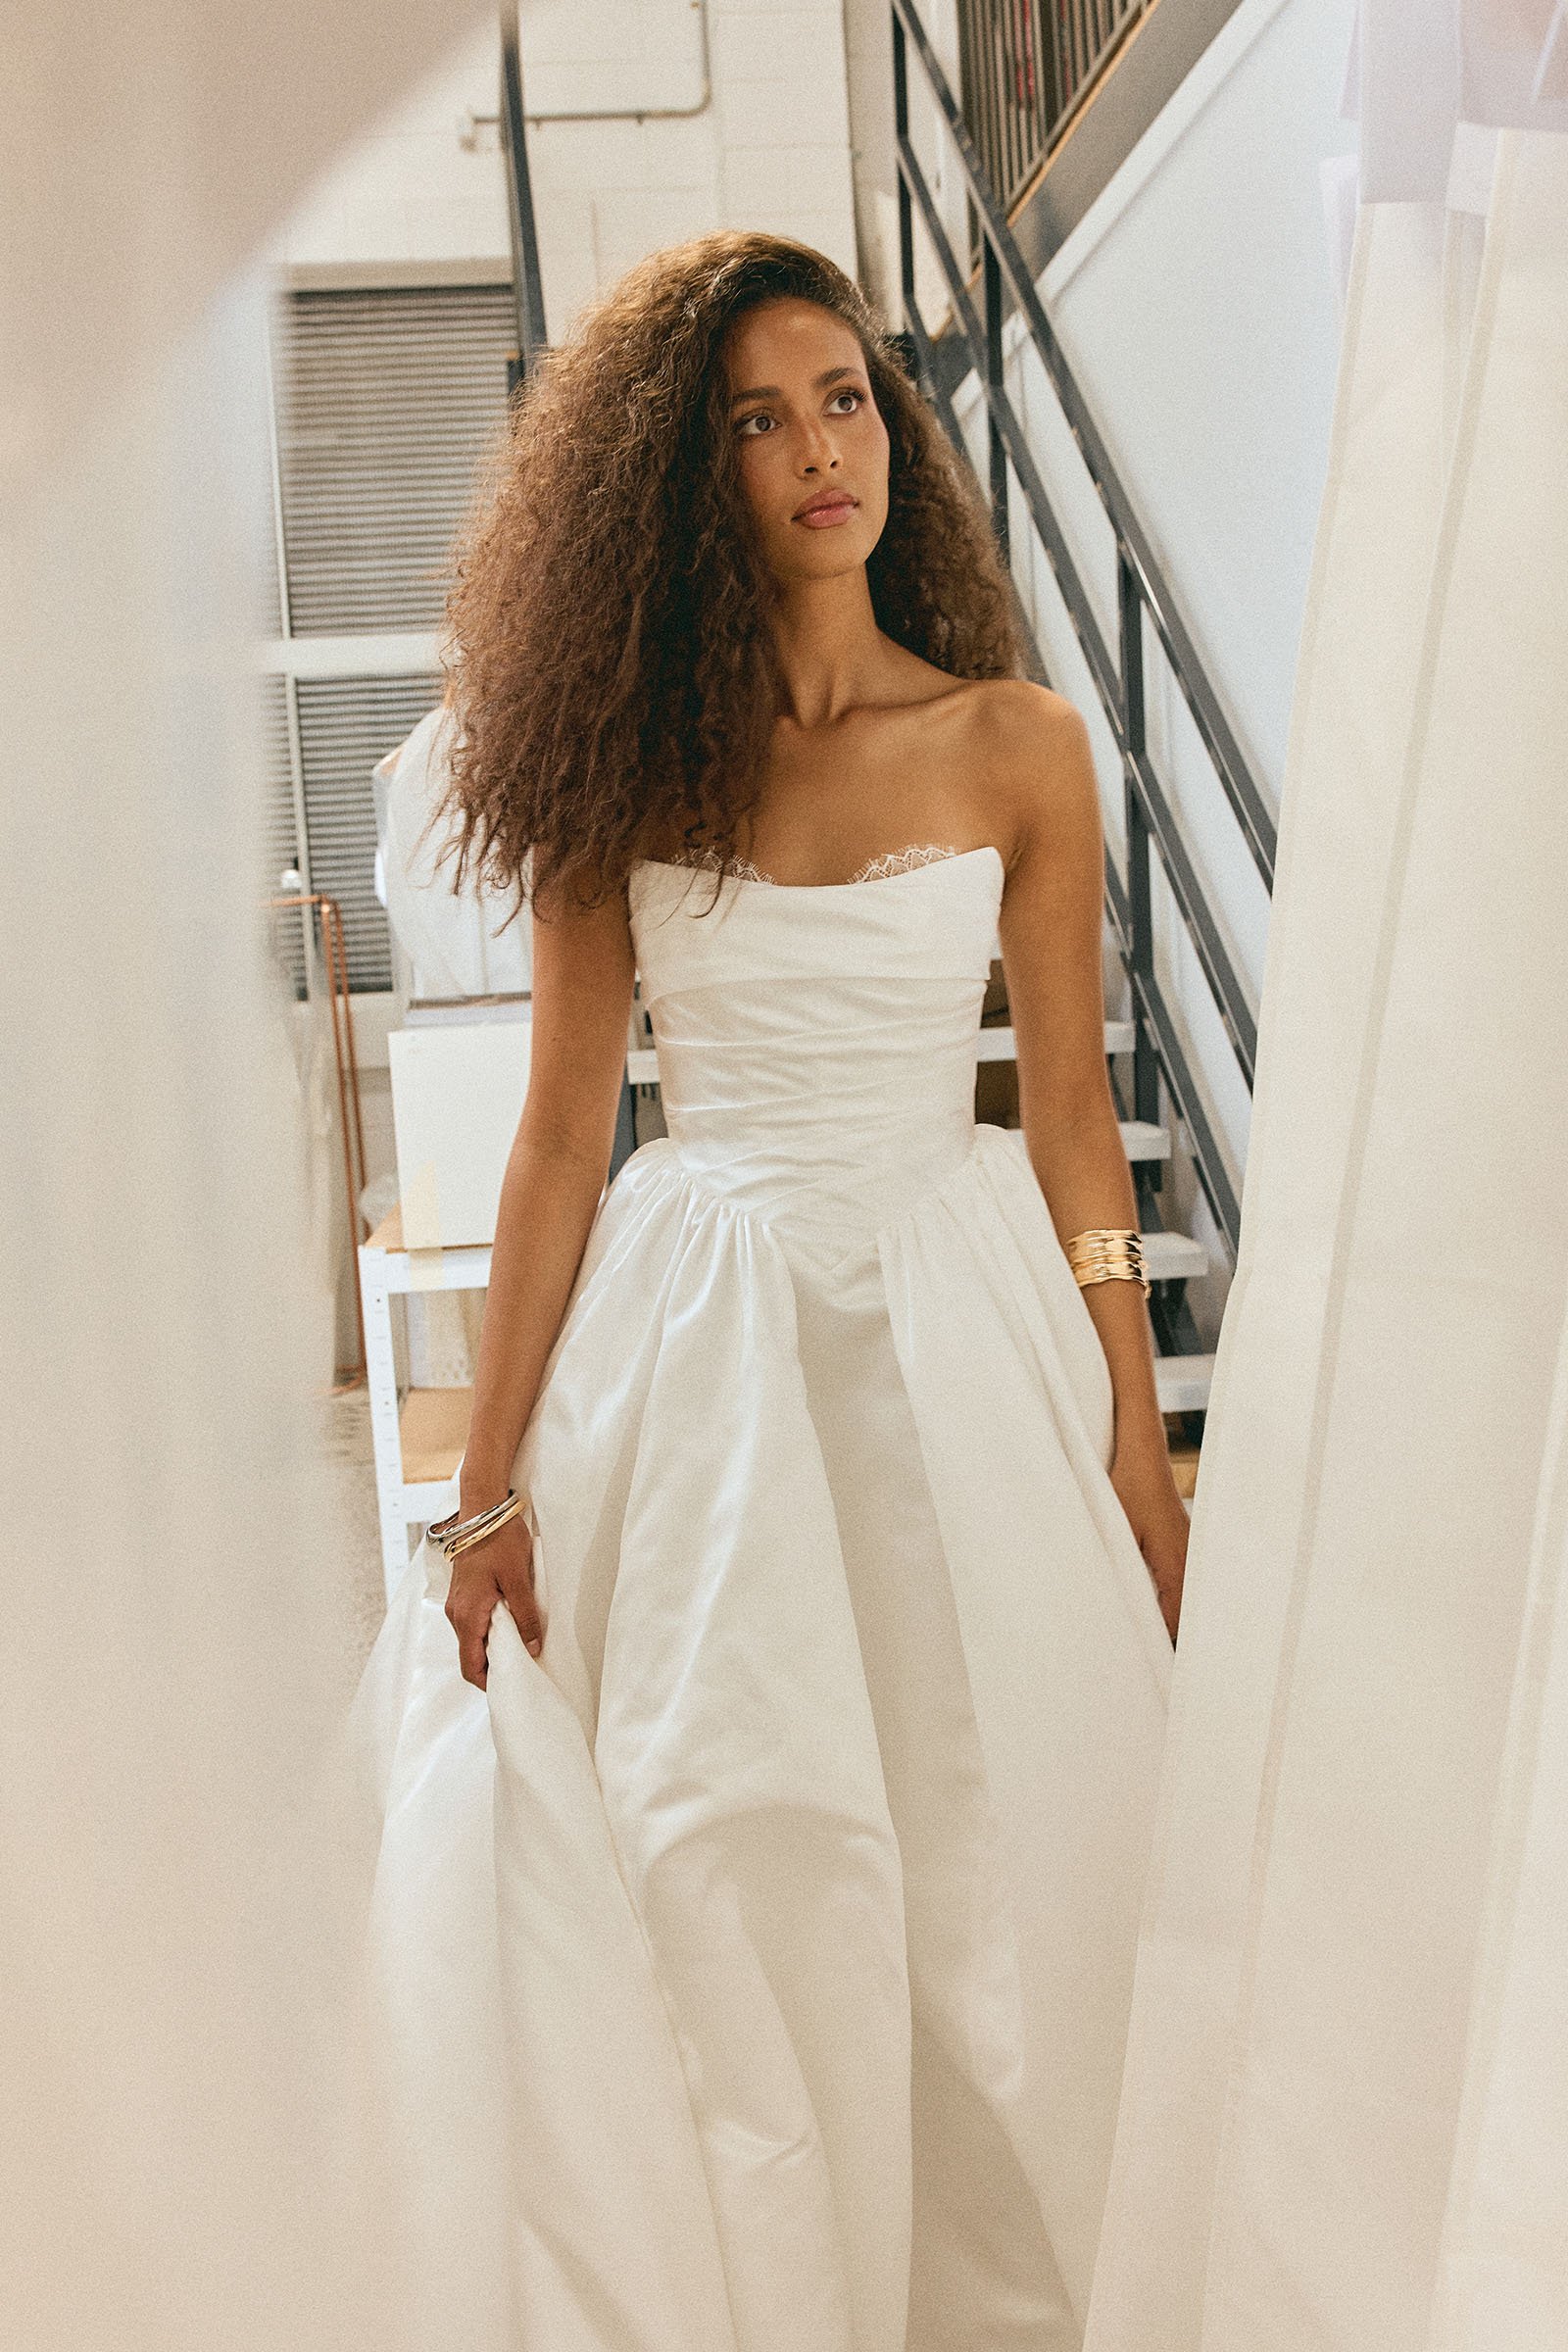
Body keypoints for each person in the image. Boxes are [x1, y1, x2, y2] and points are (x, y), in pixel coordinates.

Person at [342, 230, 1187, 2352]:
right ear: (682, 479)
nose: (819, 449)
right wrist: (487, 1477)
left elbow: (1073, 1117)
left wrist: (1133, 1414)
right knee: (726, 1837)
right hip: (701, 1336)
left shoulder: (1017, 748)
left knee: (992, 1839)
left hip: (953, 1300)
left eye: (844, 401)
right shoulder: (621, 776)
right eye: (753, 418)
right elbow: (556, 1141)